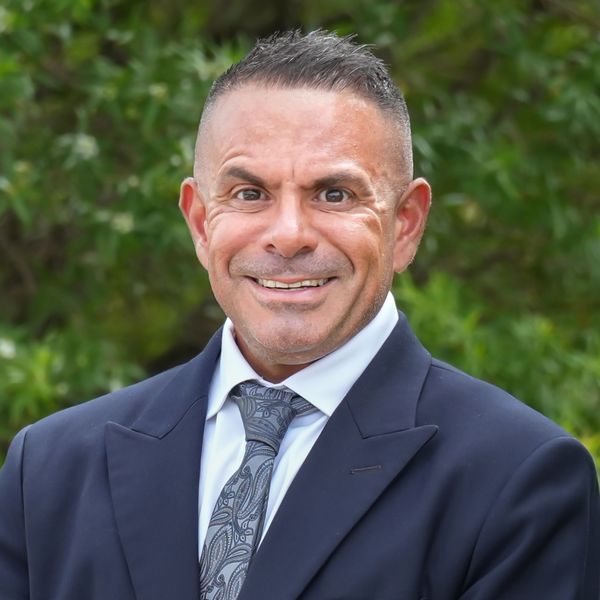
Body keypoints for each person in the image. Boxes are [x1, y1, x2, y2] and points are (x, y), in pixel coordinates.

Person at [0, 29, 598, 600]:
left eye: (334, 194)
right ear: (201, 223)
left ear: (406, 224)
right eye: (250, 194)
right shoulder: (48, 471)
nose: (288, 235)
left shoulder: (519, 479)